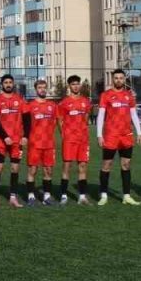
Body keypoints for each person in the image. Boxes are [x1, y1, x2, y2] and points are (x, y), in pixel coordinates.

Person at [97, 68, 141, 205]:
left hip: (126, 135)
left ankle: (126, 196)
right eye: (116, 78)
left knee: (126, 165)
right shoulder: (105, 95)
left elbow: (134, 114)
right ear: (113, 80)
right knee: (107, 164)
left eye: (121, 78)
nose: (118, 80)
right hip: (111, 136)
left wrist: (139, 132)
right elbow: (100, 116)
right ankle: (104, 195)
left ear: (124, 80)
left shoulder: (129, 96)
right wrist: (99, 135)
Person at [0, 74, 29, 209]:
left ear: (13, 84)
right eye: (5, 82)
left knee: (15, 168)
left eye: (10, 82)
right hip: (1, 139)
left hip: (17, 140)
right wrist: (5, 136)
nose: (8, 84)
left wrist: (26, 136)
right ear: (2, 85)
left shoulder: (20, 99)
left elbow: (27, 119)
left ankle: (13, 197)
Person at [57, 75, 94, 205]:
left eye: (77, 84)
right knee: (67, 166)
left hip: (83, 139)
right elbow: (60, 120)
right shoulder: (64, 103)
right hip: (69, 139)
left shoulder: (86, 102)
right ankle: (63, 195)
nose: (76, 86)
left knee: (83, 167)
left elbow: (87, 117)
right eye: (73, 84)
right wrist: (64, 135)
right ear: (69, 86)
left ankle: (82, 196)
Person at [24, 79, 58, 205]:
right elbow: (26, 124)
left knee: (48, 170)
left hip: (49, 143)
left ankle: (46, 196)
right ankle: (31, 196)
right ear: (35, 89)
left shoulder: (53, 105)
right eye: (40, 87)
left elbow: (55, 122)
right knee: (32, 170)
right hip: (35, 143)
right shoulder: (30, 105)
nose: (42, 89)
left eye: (44, 87)